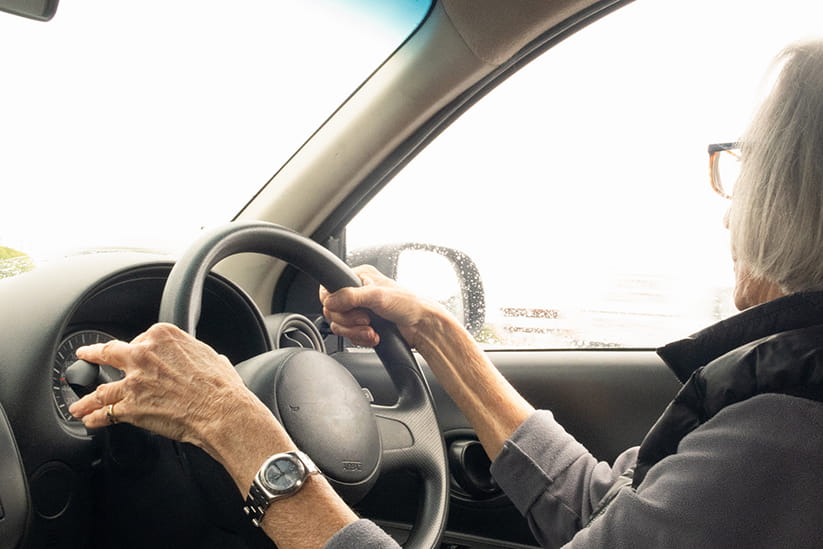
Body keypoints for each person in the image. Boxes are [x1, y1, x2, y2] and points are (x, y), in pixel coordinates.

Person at [70, 39, 823, 548]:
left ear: (794, 194)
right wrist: (434, 330)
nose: (730, 208)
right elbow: (604, 514)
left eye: (747, 166)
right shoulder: (785, 402)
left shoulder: (790, 429)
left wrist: (234, 424)